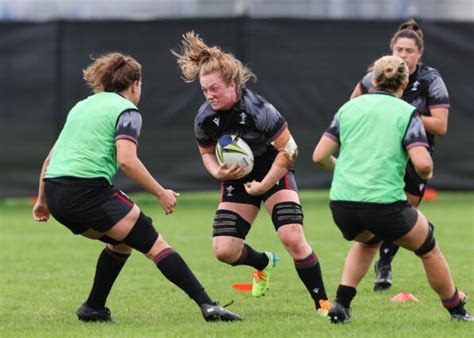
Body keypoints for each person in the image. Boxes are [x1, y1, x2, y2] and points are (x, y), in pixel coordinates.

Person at [32, 52, 242, 323]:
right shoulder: (126, 111)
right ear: (134, 85)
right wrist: (161, 192)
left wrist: (42, 201)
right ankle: (207, 305)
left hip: (57, 194)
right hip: (86, 191)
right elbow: (127, 161)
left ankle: (93, 308)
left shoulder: (81, 106)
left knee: (123, 243)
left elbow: (50, 159)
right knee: (154, 243)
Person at [171, 31, 331, 316]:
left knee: (293, 238)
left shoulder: (259, 109)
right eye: (204, 90)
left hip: (273, 171)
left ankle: (323, 305)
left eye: (214, 89)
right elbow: (206, 153)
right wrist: (217, 173)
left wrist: (265, 185)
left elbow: (290, 150)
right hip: (237, 178)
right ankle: (263, 264)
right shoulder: (205, 117)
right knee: (224, 251)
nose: (209, 95)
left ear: (232, 85)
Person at [313, 55, 472, 323]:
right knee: (428, 247)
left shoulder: (348, 109)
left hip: (342, 204)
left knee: (368, 241)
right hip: (383, 204)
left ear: (373, 79)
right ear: (405, 81)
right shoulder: (407, 113)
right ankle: (457, 309)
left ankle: (340, 303)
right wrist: (428, 172)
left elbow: (319, 156)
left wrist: (342, 171)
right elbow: (422, 164)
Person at [350, 20, 450, 292]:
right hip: (381, 156)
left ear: (419, 53)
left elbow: (440, 125)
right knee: (384, 217)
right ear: (391, 49)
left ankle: (383, 262)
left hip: (416, 155)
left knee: (403, 217)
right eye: (399, 49)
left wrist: (402, 113)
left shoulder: (431, 80)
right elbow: (351, 109)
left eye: (409, 50)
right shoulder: (376, 76)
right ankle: (380, 266)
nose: (403, 54)